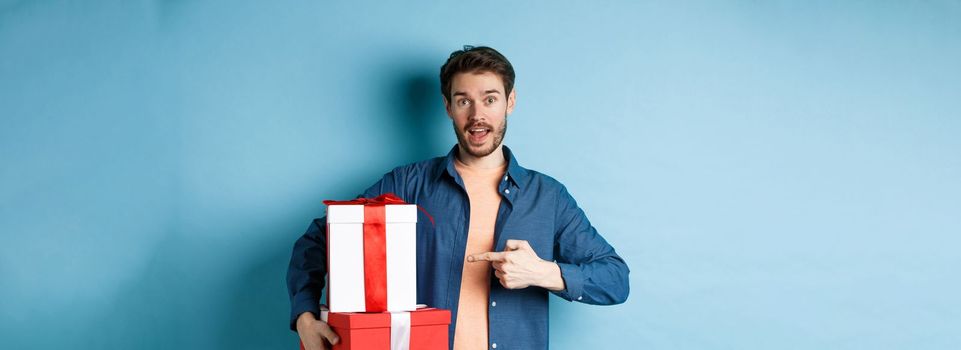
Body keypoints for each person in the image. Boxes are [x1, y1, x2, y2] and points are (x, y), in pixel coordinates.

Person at [287, 45, 630, 350]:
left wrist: (544, 273)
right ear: (448, 107)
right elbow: (320, 238)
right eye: (464, 100)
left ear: (510, 102)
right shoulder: (407, 185)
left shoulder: (548, 197)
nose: (477, 114)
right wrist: (305, 315)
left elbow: (615, 280)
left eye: (490, 99)